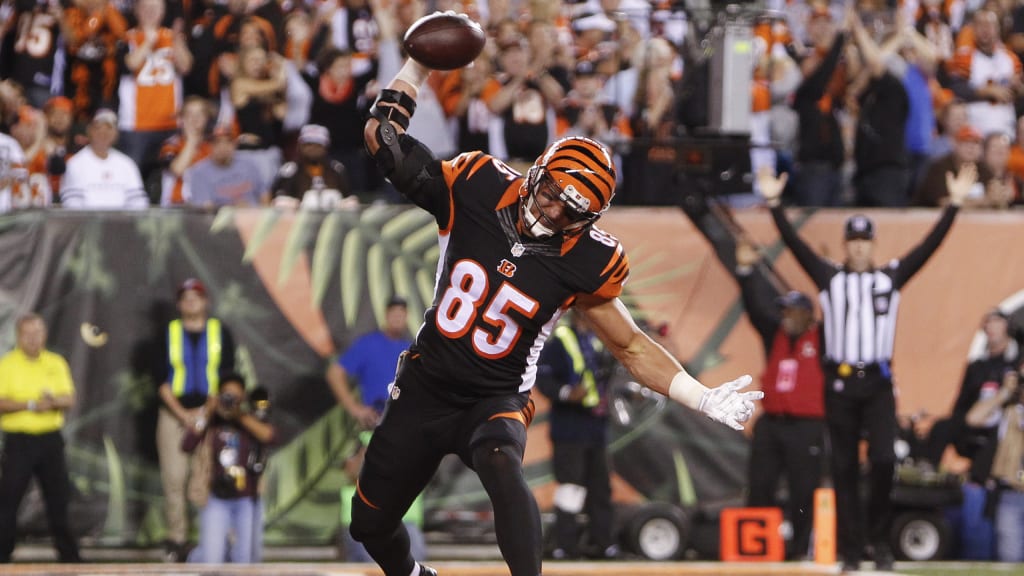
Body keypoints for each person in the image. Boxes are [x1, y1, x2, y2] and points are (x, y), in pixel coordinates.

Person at [352, 29, 762, 576]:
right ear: (536, 172)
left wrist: (702, 397)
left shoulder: (585, 260)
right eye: (549, 193)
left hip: (495, 394)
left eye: (570, 211)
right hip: (427, 382)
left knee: (501, 460)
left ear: (589, 221)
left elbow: (631, 346)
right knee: (370, 525)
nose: (551, 212)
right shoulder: (476, 185)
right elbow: (385, 140)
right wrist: (417, 69)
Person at [758, 165, 976, 572]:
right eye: (853, 240)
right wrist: (773, 203)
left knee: (882, 461)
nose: (858, 248)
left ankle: (879, 540)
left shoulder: (890, 278)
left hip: (877, 382)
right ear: (846, 245)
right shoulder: (830, 277)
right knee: (841, 468)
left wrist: (955, 205)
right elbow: (795, 244)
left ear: (873, 245)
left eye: (864, 241)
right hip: (838, 382)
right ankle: (852, 550)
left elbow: (928, 248)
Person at [733, 240, 825, 560]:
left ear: (807, 315)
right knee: (760, 485)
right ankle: (755, 548)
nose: (785, 316)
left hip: (807, 425)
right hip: (773, 422)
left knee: (803, 489)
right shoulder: (776, 336)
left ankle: (800, 551)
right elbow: (756, 309)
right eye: (784, 310)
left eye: (792, 311)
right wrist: (745, 272)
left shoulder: (823, 340)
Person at [155, 278, 236, 562]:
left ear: (206, 302)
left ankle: (216, 540)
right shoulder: (168, 333)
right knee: (174, 479)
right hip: (174, 415)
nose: (191, 301)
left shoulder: (219, 332)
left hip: (211, 416)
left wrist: (205, 413)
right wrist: (184, 415)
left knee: (210, 477)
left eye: (196, 297)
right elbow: (160, 380)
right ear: (179, 304)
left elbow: (228, 379)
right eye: (186, 297)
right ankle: (177, 540)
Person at [535, 311, 617, 561]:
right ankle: (565, 546)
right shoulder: (560, 340)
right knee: (570, 487)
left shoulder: (598, 341)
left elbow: (605, 377)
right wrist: (566, 392)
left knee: (600, 488)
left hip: (595, 427)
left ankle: (604, 544)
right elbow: (543, 377)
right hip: (569, 428)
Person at [0, 314, 81, 563]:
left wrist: (53, 402)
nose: (33, 339)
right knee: (8, 500)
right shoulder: (7, 364)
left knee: (59, 500)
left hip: (50, 440)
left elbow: (69, 398)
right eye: (28, 334)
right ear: (18, 336)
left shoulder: (55, 362)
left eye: (38, 333)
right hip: (18, 441)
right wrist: (32, 404)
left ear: (44, 335)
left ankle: (69, 558)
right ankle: (2, 555)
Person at [183, 374, 275, 564]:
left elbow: (270, 437)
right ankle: (194, 558)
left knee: (245, 560)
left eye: (236, 397)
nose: (230, 401)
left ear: (243, 398)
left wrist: (239, 415)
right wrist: (208, 411)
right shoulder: (211, 421)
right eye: (227, 396)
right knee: (212, 559)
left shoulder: (247, 419)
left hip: (246, 499)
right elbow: (187, 444)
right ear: (218, 395)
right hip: (216, 499)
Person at [965, 365, 1024, 562]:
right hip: (1012, 494)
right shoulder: (1008, 410)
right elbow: (973, 418)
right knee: (1010, 560)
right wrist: (1005, 392)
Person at [271, 124, 358, 211]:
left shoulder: (336, 169)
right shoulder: (290, 170)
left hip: (333, 219)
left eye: (318, 144)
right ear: (300, 146)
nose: (312, 148)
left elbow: (349, 199)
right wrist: (300, 205)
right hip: (298, 219)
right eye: (308, 144)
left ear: (326, 146)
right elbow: (279, 200)